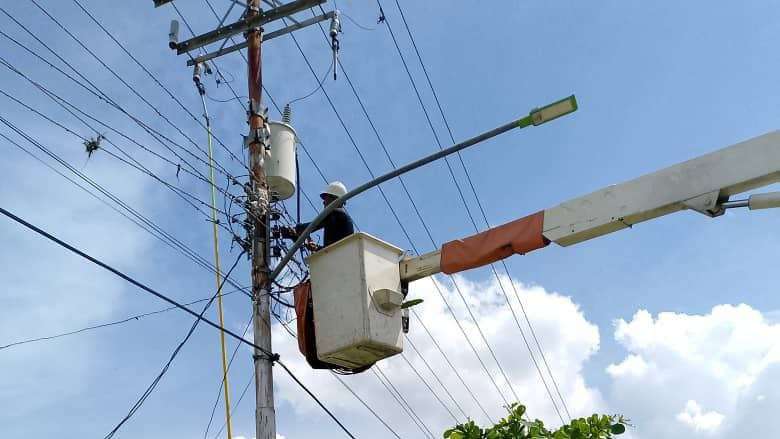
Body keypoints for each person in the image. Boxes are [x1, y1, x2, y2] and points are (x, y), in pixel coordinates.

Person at [282, 181, 355, 249]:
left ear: (335, 199)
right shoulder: (340, 218)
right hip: (339, 256)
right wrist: (317, 248)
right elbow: (332, 247)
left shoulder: (336, 213)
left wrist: (296, 229)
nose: (323, 202)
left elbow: (314, 225)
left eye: (326, 198)